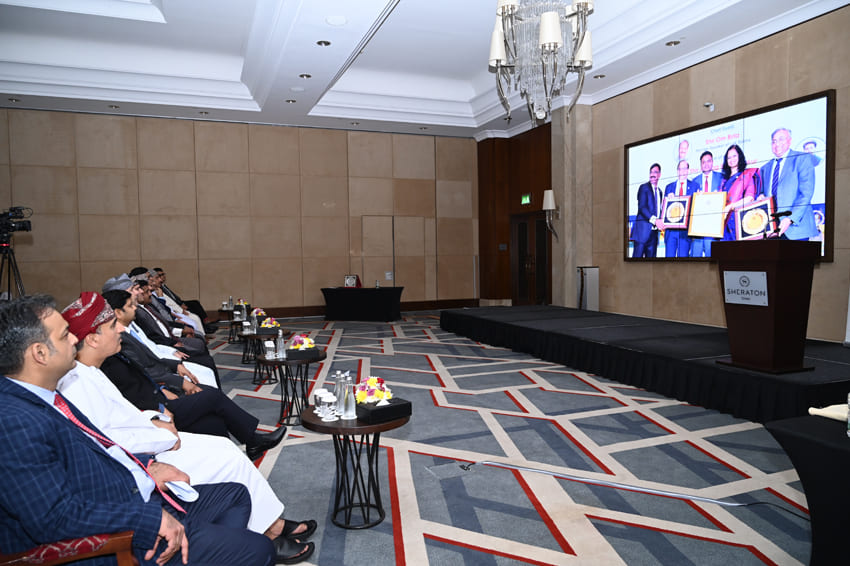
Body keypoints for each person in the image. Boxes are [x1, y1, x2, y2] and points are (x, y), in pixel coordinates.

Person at [0, 295, 276, 565]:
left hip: (131, 494)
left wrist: (146, 467)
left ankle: (211, 546)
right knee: (259, 550)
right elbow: (54, 518)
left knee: (236, 496)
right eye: (64, 335)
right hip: (116, 537)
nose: (74, 339)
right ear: (39, 353)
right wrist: (149, 519)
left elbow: (101, 445)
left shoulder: (43, 396)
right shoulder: (14, 421)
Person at [57, 292, 315, 563]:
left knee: (223, 441)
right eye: (113, 326)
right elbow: (108, 441)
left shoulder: (90, 371)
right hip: (143, 459)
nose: (121, 329)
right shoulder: (75, 383)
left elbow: (125, 416)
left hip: (153, 439)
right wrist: (162, 433)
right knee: (227, 456)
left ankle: (265, 526)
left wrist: (156, 419)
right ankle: (266, 531)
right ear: (93, 339)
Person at [98, 290, 285, 460]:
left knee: (214, 421)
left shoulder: (121, 340)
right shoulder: (113, 351)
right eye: (131, 305)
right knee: (212, 396)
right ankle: (252, 441)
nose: (135, 307)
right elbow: (136, 385)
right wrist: (164, 395)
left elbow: (145, 367)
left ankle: (233, 457)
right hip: (154, 411)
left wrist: (166, 382)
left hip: (159, 394)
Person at [758, 128, 818, 240]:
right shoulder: (765, 168)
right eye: (774, 141)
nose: (777, 144)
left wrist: (790, 218)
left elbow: (806, 194)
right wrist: (760, 197)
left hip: (796, 228)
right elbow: (762, 193)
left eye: (781, 139)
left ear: (789, 141)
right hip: (772, 229)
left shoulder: (802, 159)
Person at [720, 144, 760, 240]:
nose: (731, 159)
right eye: (729, 157)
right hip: (724, 223)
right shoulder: (723, 180)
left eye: (734, 156)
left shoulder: (747, 175)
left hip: (738, 222)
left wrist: (730, 206)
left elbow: (750, 198)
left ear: (740, 157)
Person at [690, 150, 725, 257]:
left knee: (712, 255)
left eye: (708, 161)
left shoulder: (721, 178)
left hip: (714, 223)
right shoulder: (694, 181)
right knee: (696, 255)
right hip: (698, 225)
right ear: (700, 165)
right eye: (703, 162)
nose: (706, 164)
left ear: (712, 162)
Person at [663, 160, 699, 257]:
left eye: (684, 168)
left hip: (685, 232)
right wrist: (667, 200)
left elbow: (696, 208)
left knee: (683, 260)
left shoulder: (695, 186)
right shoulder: (669, 187)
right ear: (677, 171)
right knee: (669, 261)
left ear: (688, 170)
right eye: (680, 169)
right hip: (670, 231)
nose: (682, 171)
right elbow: (664, 209)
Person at [630, 163, 663, 258]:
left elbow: (659, 210)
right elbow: (642, 207)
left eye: (655, 172)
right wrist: (655, 221)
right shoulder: (644, 187)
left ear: (659, 175)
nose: (652, 174)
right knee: (636, 263)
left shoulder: (660, 192)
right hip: (642, 233)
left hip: (654, 234)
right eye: (651, 172)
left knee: (651, 264)